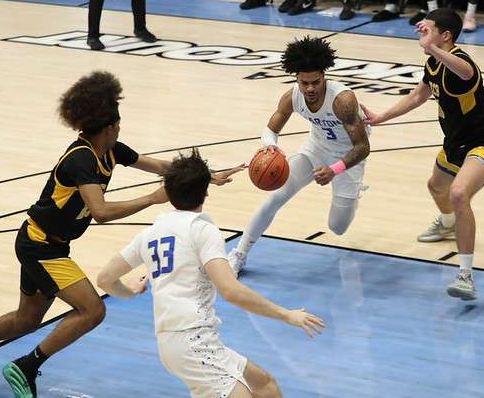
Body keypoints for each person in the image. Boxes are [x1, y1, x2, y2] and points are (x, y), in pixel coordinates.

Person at [0, 71, 243, 397]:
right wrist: (152, 198)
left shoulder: (111, 150)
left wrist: (208, 176)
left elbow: (161, 167)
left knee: (27, 319)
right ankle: (26, 367)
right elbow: (101, 212)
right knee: (93, 310)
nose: (120, 128)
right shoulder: (81, 160)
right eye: (118, 124)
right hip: (41, 247)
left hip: (46, 243)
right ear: (109, 127)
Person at [97, 150, 325, 397]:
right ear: (205, 193)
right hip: (192, 342)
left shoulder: (148, 234)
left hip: (179, 342)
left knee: (265, 385)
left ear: (167, 193)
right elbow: (231, 291)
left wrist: (129, 291)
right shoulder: (202, 230)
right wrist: (287, 315)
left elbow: (105, 280)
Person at [362, 9, 484, 301]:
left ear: (446, 36)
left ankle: (465, 276)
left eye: (428, 30)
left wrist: (431, 48)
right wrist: (381, 117)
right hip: (454, 144)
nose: (422, 34)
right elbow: (418, 96)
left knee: (458, 194)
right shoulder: (433, 63)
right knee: (436, 187)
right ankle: (448, 224)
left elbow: (467, 72)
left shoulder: (462, 63)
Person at [228, 36, 371, 275]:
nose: (310, 89)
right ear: (296, 78)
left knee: (338, 227)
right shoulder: (292, 96)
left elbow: (362, 147)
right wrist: (270, 146)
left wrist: (334, 169)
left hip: (348, 158)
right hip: (315, 149)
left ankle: (354, 193)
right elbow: (270, 129)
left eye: (316, 82)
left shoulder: (343, 100)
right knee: (275, 197)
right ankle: (239, 254)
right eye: (304, 83)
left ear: (324, 75)